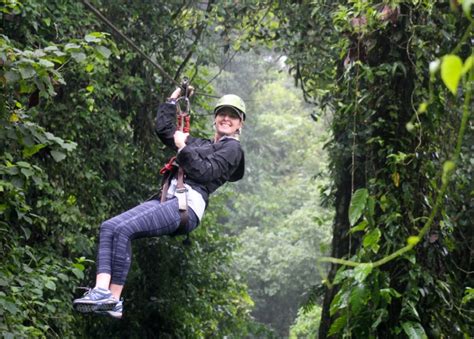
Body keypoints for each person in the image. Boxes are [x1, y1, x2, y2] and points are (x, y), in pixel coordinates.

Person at [72, 88, 246, 319]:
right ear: (215, 118)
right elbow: (165, 130)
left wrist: (183, 148)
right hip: (170, 199)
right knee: (109, 227)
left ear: (239, 124)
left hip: (188, 206)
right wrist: (173, 99)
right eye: (222, 114)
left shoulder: (232, 149)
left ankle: (114, 299)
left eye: (232, 116)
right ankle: (101, 291)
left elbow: (205, 172)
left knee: (125, 230)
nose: (226, 119)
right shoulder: (202, 144)